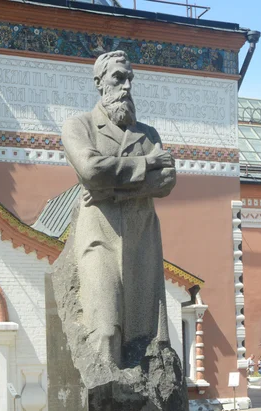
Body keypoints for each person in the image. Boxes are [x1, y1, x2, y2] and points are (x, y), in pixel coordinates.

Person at [57, 50, 176, 370]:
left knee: (145, 336)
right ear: (99, 83)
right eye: (118, 78)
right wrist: (146, 163)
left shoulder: (148, 134)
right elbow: (91, 170)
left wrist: (112, 191)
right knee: (105, 325)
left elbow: (165, 182)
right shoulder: (78, 126)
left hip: (141, 239)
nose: (126, 87)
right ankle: (108, 399)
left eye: (130, 80)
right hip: (99, 234)